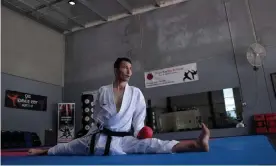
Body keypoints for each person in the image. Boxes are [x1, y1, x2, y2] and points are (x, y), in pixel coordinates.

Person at [28, 57, 210, 156]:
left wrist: (141, 132)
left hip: (124, 139)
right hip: (99, 137)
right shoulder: (102, 90)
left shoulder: (136, 93)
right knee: (68, 147)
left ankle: (196, 144)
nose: (129, 71)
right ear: (116, 70)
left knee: (156, 145)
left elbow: (139, 118)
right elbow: (97, 117)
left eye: (131, 68)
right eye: (125, 68)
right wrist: (91, 133)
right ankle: (42, 151)